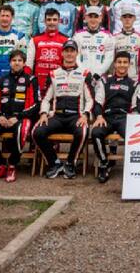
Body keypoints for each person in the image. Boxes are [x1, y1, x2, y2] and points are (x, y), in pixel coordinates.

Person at [34, 40, 99, 179]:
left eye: (72, 51)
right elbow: (46, 99)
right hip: (57, 116)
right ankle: (54, 163)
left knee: (82, 132)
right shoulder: (53, 74)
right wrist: (44, 114)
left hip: (76, 116)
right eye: (67, 51)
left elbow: (90, 100)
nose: (69, 54)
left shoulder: (85, 73)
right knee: (37, 132)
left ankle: (70, 163)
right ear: (62, 53)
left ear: (77, 53)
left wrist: (85, 115)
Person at [0, 49, 39, 183]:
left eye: (19, 60)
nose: (17, 63)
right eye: (14, 60)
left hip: (21, 118)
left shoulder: (31, 80)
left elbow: (36, 104)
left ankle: (12, 165)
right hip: (3, 117)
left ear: (24, 63)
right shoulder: (1, 80)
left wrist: (18, 117)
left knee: (21, 131)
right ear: (9, 63)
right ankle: (0, 165)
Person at [90, 50, 136, 183]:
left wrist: (133, 118)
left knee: (133, 135)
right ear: (115, 64)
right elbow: (98, 102)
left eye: (125, 62)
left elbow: (134, 106)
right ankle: (104, 163)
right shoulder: (105, 81)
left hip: (124, 118)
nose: (122, 65)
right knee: (96, 132)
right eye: (119, 62)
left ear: (129, 64)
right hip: (107, 117)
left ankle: (133, 167)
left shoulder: (133, 84)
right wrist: (99, 117)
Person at [26, 8, 68, 94]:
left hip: (59, 83)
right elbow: (28, 64)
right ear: (44, 21)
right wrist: (27, 81)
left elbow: (69, 64)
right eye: (49, 20)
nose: (52, 22)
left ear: (59, 21)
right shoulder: (35, 40)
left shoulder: (66, 40)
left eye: (54, 20)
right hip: (39, 84)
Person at [72, 4, 113, 80]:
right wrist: (83, 72)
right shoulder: (78, 35)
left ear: (100, 18)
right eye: (90, 16)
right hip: (81, 76)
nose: (93, 19)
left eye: (96, 16)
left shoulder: (107, 36)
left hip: (100, 77)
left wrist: (98, 73)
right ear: (86, 18)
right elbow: (75, 56)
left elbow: (109, 58)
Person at [112, 5, 140, 79]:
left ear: (134, 18)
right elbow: (111, 60)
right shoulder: (114, 38)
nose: (127, 19)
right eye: (124, 17)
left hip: (135, 79)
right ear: (121, 18)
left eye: (130, 17)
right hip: (117, 79)